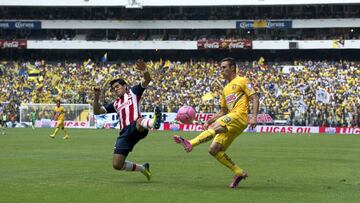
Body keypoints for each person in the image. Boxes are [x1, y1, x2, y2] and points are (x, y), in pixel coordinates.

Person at [173, 57, 259, 189]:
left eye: (224, 67)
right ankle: (239, 172)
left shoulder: (242, 81)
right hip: (231, 120)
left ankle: (191, 143)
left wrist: (253, 117)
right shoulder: (225, 89)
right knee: (214, 150)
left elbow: (254, 97)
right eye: (221, 67)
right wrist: (209, 120)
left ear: (232, 68)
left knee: (217, 126)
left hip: (239, 116)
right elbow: (223, 111)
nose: (221, 70)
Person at [93, 59, 162, 181]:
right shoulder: (115, 104)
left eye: (117, 86)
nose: (115, 89)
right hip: (124, 134)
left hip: (137, 127)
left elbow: (147, 80)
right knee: (117, 164)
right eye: (113, 88)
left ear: (125, 86)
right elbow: (96, 111)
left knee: (139, 121)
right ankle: (143, 168)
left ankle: (153, 122)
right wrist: (96, 97)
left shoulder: (133, 92)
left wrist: (145, 70)